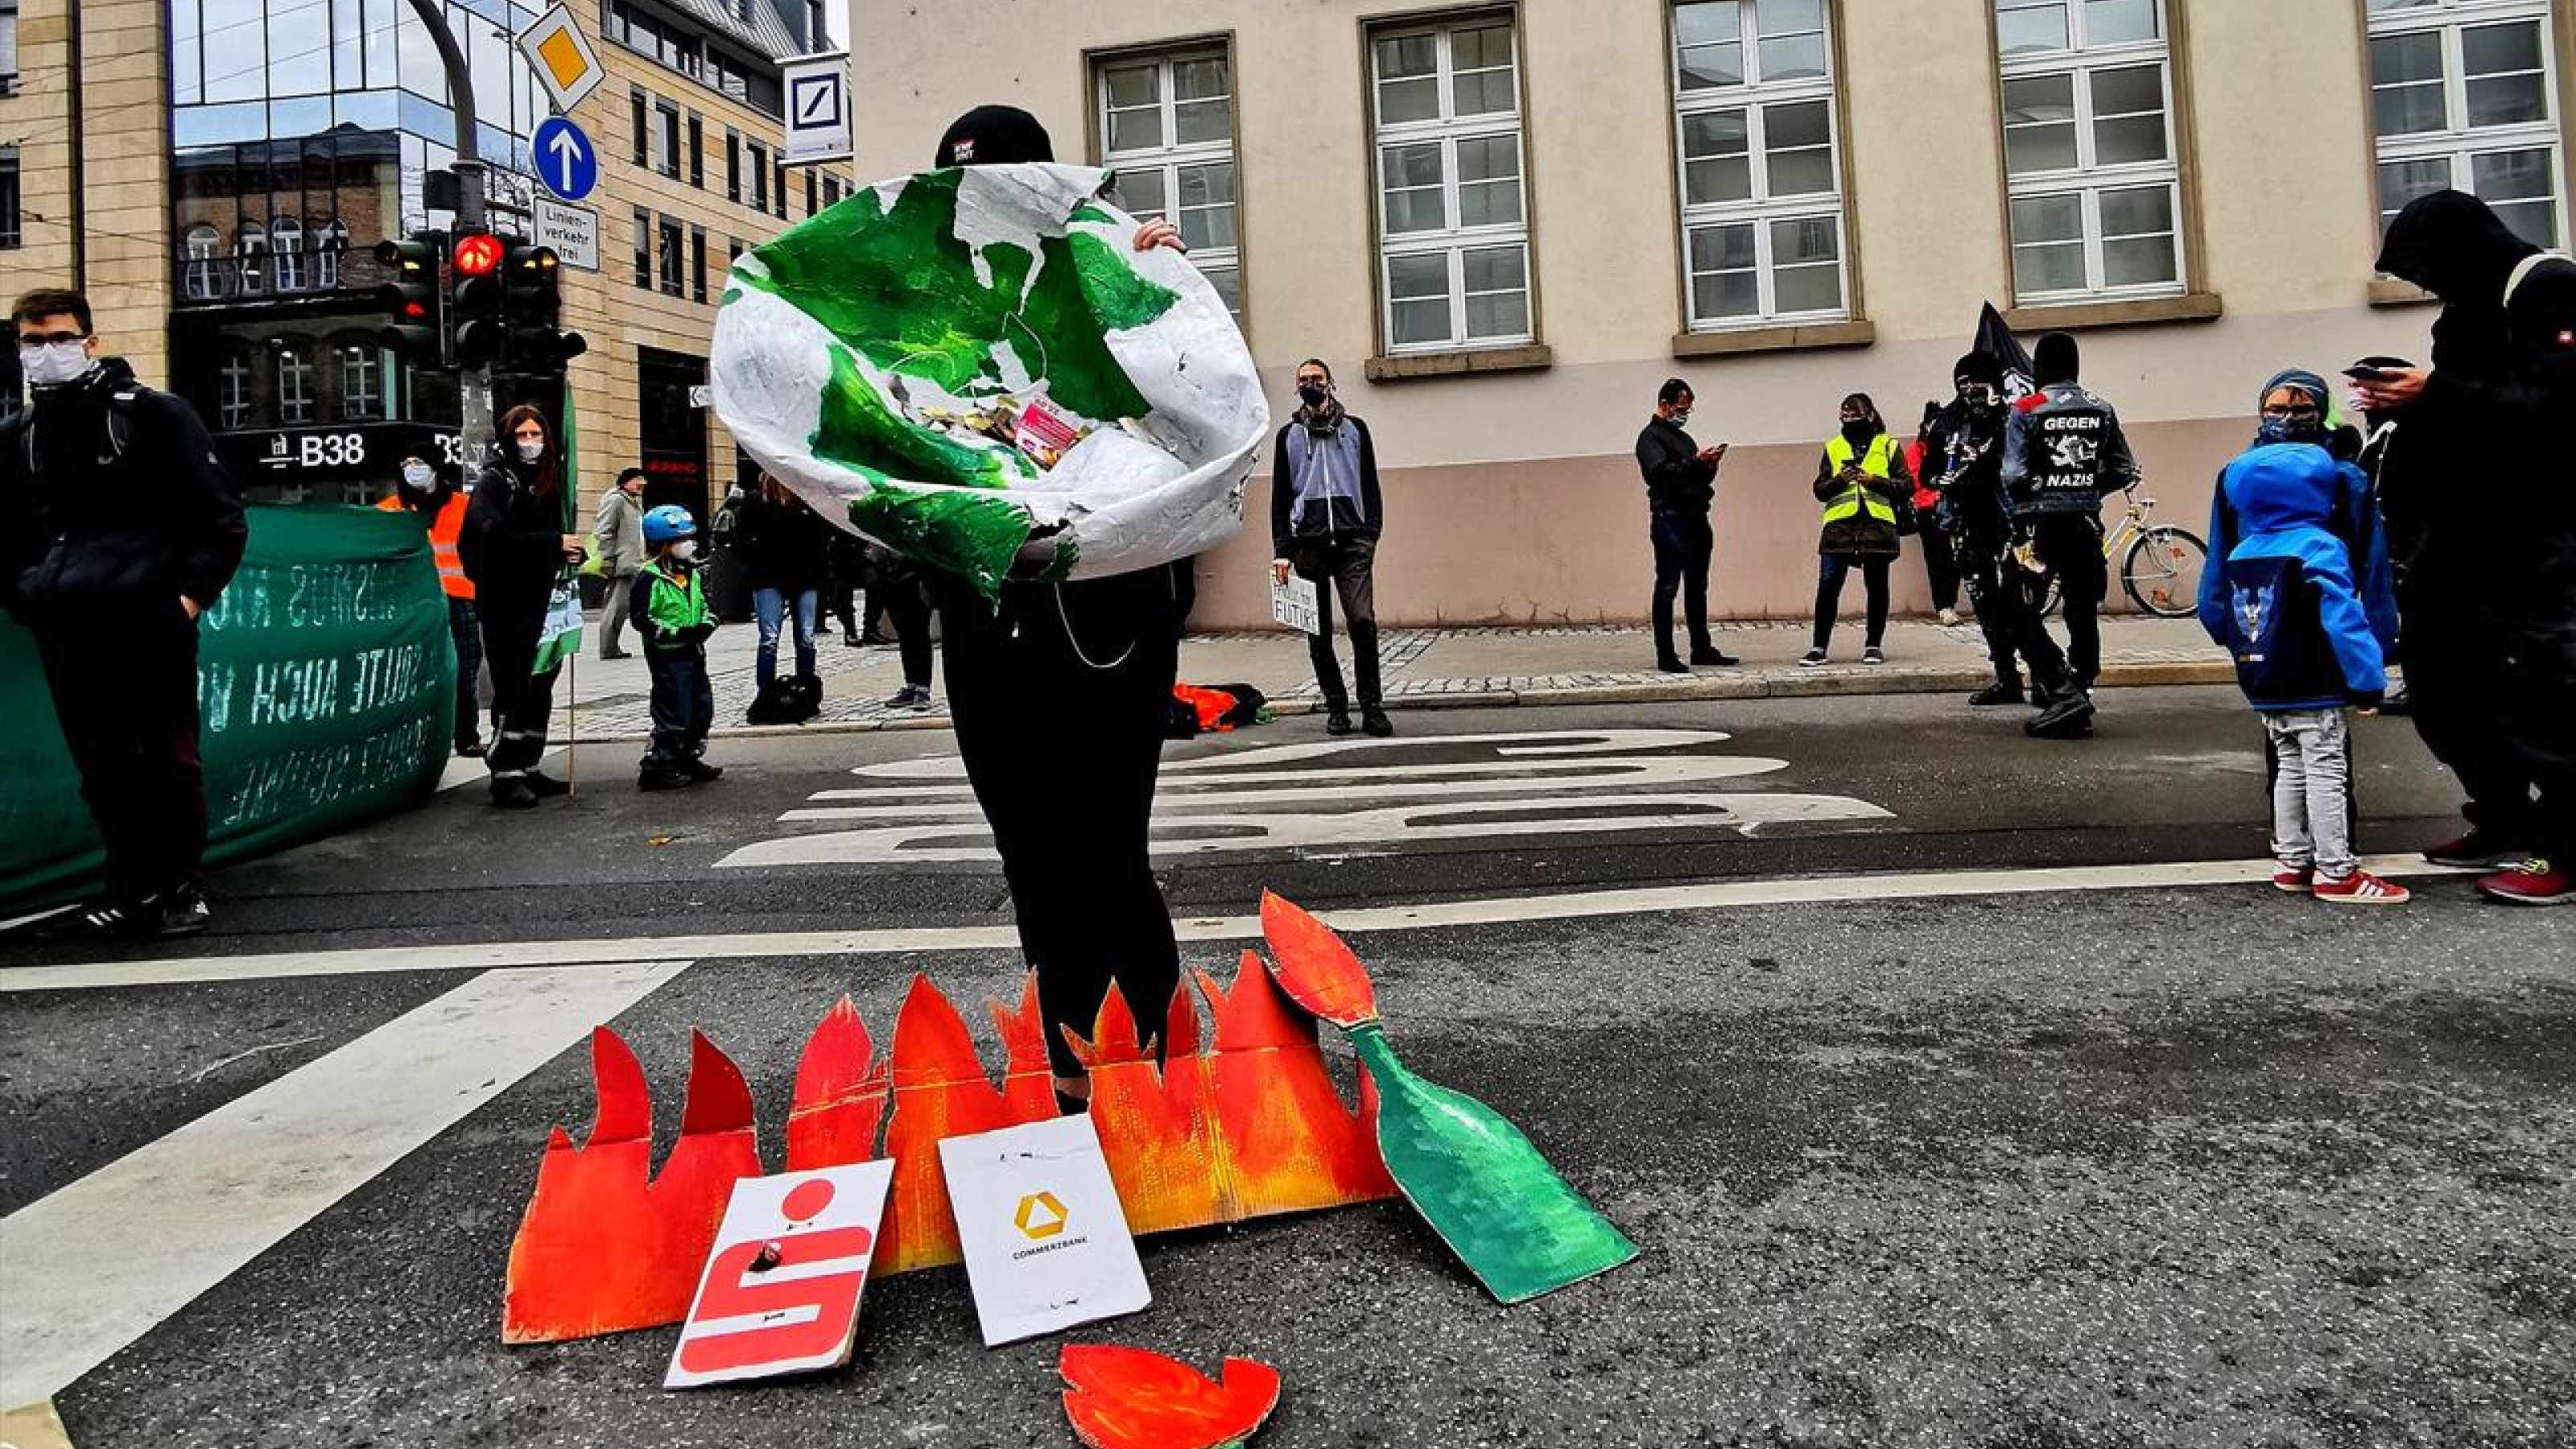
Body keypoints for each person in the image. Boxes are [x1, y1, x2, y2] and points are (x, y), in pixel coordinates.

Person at [919, 103, 1193, 1113]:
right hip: (986, 615)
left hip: (1107, 611)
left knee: (1107, 844)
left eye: (998, 185)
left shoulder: (1103, 267)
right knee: (1030, 850)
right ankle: (1073, 1060)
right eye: (961, 190)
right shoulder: (932, 305)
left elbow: (1192, 411)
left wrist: (1163, 295)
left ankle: (1155, 1052)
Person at [2, 287, 245, 939]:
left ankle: (180, 889)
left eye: (59, 338)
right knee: (103, 766)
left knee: (168, 759)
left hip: (148, 619)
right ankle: (130, 888)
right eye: (32, 341)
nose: (46, 352)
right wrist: (29, 596)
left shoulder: (154, 415)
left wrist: (185, 600)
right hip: (67, 625)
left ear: (90, 341)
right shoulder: (20, 435)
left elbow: (221, 518)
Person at [2363, 190, 2576, 906]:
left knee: (2546, 693)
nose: (2426, 287)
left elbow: (2554, 410)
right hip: (2459, 536)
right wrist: (2406, 402)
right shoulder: (2463, 311)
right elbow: (2460, 411)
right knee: (2442, 681)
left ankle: (2567, 847)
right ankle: (2505, 815)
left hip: (2540, 536)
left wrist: (2435, 392)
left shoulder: (2549, 288)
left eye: (2427, 271)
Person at [2198, 416, 2408, 905]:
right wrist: (2368, 679)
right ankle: (2336, 870)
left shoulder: (2244, 549)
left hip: (2265, 677)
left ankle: (2292, 859)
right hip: (2315, 676)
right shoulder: (2320, 545)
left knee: (2289, 765)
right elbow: (2343, 619)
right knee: (2326, 767)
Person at [1925, 351, 2089, 735]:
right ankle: (2007, 676)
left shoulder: (2014, 416)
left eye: (1977, 384)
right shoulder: (1947, 422)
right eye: (1963, 385)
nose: (1970, 392)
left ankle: (2047, 679)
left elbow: (2030, 465)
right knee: (1985, 602)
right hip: (1968, 523)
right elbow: (1929, 469)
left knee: (2022, 604)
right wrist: (1940, 479)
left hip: (2013, 523)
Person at [459, 402, 585, 809]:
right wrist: (551, 544)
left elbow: (554, 534)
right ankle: (506, 771)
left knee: (541, 680)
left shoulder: (549, 481)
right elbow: (491, 534)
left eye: (536, 434)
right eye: (522, 435)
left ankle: (529, 761)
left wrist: (571, 553)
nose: (530, 442)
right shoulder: (496, 480)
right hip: (505, 597)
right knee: (513, 682)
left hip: (543, 596)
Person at [2002, 331, 2138, 698]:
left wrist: (2036, 492)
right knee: (2082, 606)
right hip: (2085, 522)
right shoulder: (2100, 407)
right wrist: (2089, 488)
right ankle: (2082, 680)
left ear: (2041, 366)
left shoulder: (2026, 408)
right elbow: (2125, 469)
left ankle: (2053, 675)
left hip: (2039, 525)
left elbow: (2012, 474)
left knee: (2016, 605)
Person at [1270, 357, 1390, 737]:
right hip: (1308, 544)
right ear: (1297, 387)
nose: (1311, 384)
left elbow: (1369, 483)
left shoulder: (1355, 430)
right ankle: (1336, 706)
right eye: (1304, 379)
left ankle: (1372, 706)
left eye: (1317, 378)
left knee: (1362, 621)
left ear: (1330, 382)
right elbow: (1280, 497)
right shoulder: (1288, 436)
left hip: (1353, 541)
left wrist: (1371, 532)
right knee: (1317, 630)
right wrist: (1282, 550)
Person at [378, 452, 485, 757]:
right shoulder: (389, 510)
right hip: (413, 601)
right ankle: (416, 738)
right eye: (407, 463)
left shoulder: (463, 506)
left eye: (420, 462)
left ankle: (466, 734)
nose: (413, 469)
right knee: (413, 671)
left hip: (459, 598)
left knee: (464, 670)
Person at [1635, 378, 1737, 673]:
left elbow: (1695, 477)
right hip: (1670, 517)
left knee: (1697, 584)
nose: (1684, 414)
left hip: (1696, 515)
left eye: (1688, 410)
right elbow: (1661, 475)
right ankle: (1666, 654)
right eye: (1681, 409)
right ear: (1665, 405)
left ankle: (1701, 647)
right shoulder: (1650, 439)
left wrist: (1709, 465)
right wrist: (1695, 462)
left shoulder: (1685, 439)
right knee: (1667, 585)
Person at [1802, 393, 1912, 667]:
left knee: (1876, 587)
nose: (1849, 421)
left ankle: (1873, 645)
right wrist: (1841, 479)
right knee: (1828, 586)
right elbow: (1820, 490)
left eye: (1855, 415)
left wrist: (1873, 480)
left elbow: (1906, 486)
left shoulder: (1887, 446)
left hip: (1876, 527)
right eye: (1845, 416)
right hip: (1839, 529)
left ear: (1870, 415)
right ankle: (1818, 647)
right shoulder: (1834, 447)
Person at [630, 505, 723, 791]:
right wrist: (675, 632)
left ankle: (688, 756)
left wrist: (707, 623)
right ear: (663, 545)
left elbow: (707, 603)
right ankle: (660, 763)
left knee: (700, 705)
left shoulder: (692, 573)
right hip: (667, 654)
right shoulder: (649, 577)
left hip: (694, 650)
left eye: (689, 538)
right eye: (681, 540)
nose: (688, 544)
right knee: (674, 708)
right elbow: (641, 618)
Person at [733, 473, 831, 693]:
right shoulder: (758, 501)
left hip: (804, 575)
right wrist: (755, 557)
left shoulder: (806, 500)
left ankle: (806, 690)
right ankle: (766, 693)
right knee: (770, 638)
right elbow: (740, 539)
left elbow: (821, 538)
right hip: (769, 575)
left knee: (806, 636)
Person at [1905, 401, 1962, 626]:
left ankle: (1951, 602)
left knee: (1957, 558)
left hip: (1954, 507)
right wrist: (1936, 491)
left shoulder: (1953, 446)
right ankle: (1944, 605)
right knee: (1938, 560)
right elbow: (1915, 481)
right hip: (1929, 510)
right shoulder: (1917, 450)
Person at [866, 540, 938, 710]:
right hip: (890, 577)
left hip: (914, 575)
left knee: (919, 633)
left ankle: (922, 688)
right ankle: (912, 684)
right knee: (905, 635)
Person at [593, 466, 647, 660]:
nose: (642, 484)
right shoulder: (616, 500)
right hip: (620, 563)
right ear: (626, 482)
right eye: (637, 479)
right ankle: (608, 648)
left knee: (622, 608)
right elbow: (605, 531)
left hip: (632, 563)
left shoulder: (633, 503)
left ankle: (611, 646)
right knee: (616, 607)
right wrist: (608, 560)